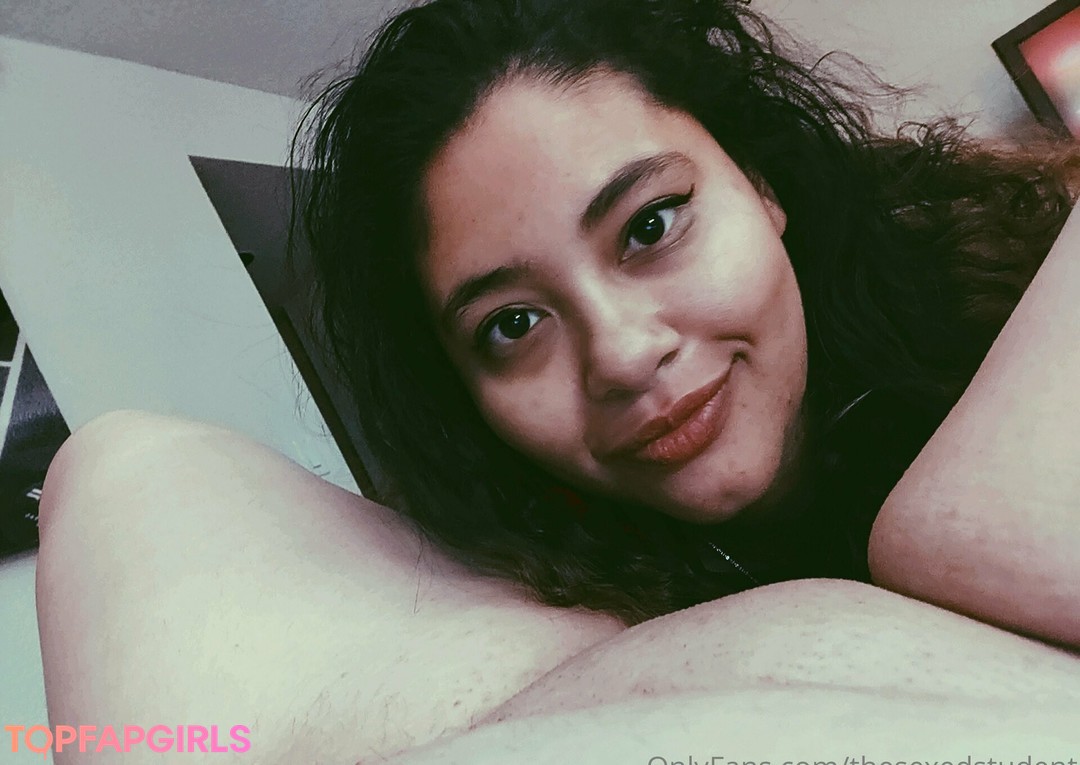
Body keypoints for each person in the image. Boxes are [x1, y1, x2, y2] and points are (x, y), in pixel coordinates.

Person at [35, 1, 1080, 763]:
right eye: (513, 325)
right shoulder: (539, 601)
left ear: (761, 185)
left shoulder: (1019, 290)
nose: (622, 354)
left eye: (651, 225)